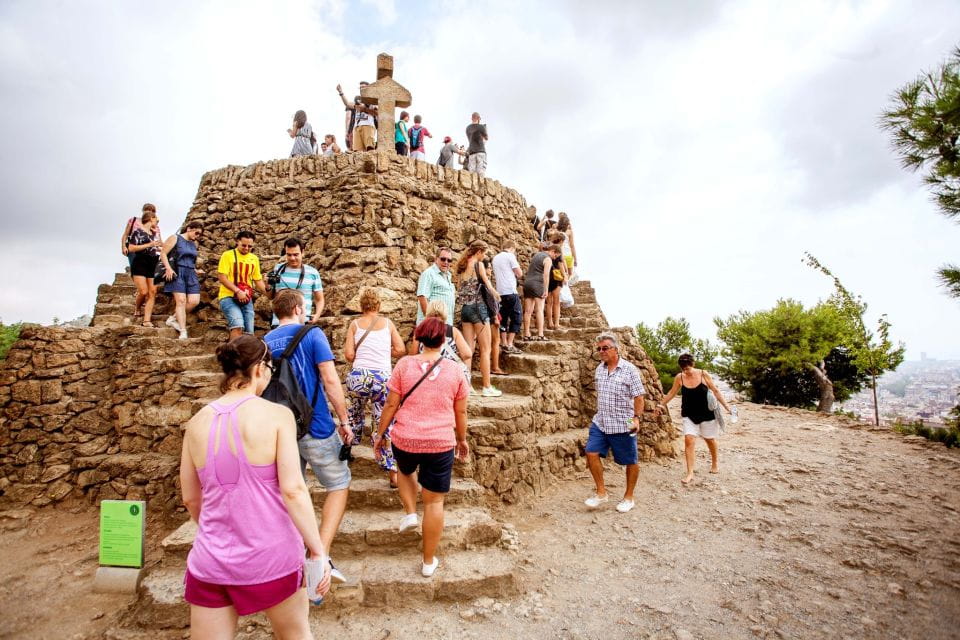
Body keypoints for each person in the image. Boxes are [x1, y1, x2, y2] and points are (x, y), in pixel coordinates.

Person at [179, 335, 330, 637]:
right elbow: (293, 490)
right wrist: (317, 550)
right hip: (272, 557)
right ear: (260, 368)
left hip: (211, 561)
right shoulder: (277, 415)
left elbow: (191, 499)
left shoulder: (196, 423)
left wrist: (217, 533)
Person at [265, 289, 354, 583]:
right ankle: (320, 555)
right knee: (338, 484)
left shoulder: (265, 342)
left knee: (293, 493)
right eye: (304, 306)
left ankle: (297, 557)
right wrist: (344, 420)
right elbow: (330, 379)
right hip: (315, 425)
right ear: (297, 309)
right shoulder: (312, 335)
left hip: (279, 430)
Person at [373, 317, 470, 578]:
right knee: (435, 502)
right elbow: (460, 411)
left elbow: (391, 404)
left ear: (419, 338)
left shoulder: (404, 365)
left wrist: (380, 434)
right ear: (444, 340)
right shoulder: (455, 370)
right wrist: (461, 439)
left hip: (406, 438)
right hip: (440, 441)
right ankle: (428, 562)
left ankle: (410, 513)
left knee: (405, 471)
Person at [343, 288, 407, 488]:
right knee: (384, 422)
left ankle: (346, 452)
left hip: (359, 377)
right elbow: (401, 349)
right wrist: (385, 351)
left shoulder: (354, 325)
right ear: (378, 305)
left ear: (361, 306)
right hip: (382, 379)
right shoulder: (388, 324)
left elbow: (348, 355)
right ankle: (392, 473)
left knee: (353, 415)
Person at [584, 333, 646, 514]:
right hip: (601, 421)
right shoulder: (599, 369)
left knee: (630, 461)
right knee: (591, 452)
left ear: (616, 349)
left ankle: (629, 497)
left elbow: (639, 397)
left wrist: (636, 418)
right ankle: (601, 493)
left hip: (623, 422)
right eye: (599, 349)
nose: (601, 351)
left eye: (605, 348)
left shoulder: (629, 370)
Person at [656, 354, 733, 485]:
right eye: (683, 369)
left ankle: (715, 462)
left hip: (707, 413)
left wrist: (727, 407)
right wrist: (660, 405)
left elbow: (715, 390)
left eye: (688, 368)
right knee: (689, 440)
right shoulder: (679, 377)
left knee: (709, 439)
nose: (686, 371)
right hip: (689, 414)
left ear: (693, 364)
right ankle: (690, 473)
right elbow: (672, 393)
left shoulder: (703, 374)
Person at [454, 240, 502, 397]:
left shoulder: (461, 266)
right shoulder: (478, 264)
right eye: (484, 253)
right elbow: (487, 284)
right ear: (479, 252)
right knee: (485, 349)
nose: (484, 256)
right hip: (478, 309)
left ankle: (467, 386)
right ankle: (487, 387)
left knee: (468, 349)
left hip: (465, 309)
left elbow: (459, 289)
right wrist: (496, 295)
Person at [217, 231, 267, 340]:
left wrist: (269, 294)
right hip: (228, 296)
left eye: (250, 246)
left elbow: (257, 280)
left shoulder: (254, 259)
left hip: (246, 298)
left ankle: (244, 350)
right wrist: (238, 291)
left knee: (249, 331)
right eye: (244, 245)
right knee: (237, 325)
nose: (246, 248)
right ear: (237, 242)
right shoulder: (227, 255)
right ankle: (232, 351)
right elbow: (222, 277)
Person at [410, 300, 473, 384]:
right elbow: (467, 354)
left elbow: (413, 355)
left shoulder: (420, 330)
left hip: (426, 375)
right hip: (449, 376)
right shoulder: (452, 331)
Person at [160, 221, 204, 340]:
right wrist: (168, 268)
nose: (198, 236)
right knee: (181, 301)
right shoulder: (175, 238)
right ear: (189, 228)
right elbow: (163, 254)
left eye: (200, 234)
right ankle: (183, 331)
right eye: (196, 232)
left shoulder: (194, 244)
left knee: (194, 301)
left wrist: (195, 270)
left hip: (190, 274)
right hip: (177, 271)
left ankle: (173, 319)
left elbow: (190, 260)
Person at [266, 238, 324, 327]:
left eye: (296, 254)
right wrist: (267, 285)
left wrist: (317, 315)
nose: (292, 258)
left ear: (302, 252)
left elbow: (319, 299)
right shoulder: (277, 269)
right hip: (279, 323)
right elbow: (270, 296)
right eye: (289, 255)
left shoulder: (313, 272)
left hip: (303, 322)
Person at [126, 208, 163, 327]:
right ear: (151, 219)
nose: (157, 222)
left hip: (153, 261)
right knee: (143, 291)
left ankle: (147, 320)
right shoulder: (138, 232)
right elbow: (131, 248)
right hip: (140, 261)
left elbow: (158, 247)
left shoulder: (155, 234)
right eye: (156, 220)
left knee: (153, 292)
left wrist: (160, 247)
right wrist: (149, 244)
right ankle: (137, 307)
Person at [492, 240, 524, 354]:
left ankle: (504, 343)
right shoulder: (510, 256)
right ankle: (510, 344)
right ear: (512, 248)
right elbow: (519, 273)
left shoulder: (495, 258)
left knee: (503, 318)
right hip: (510, 291)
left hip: (500, 293)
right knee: (517, 317)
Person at [521, 243, 557, 341]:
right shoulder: (548, 259)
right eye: (555, 255)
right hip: (538, 284)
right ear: (552, 251)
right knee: (539, 310)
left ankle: (526, 334)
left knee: (527, 311)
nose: (554, 258)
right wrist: (546, 289)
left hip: (527, 283)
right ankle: (540, 335)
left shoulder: (536, 255)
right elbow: (546, 275)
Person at [416, 247, 457, 326]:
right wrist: (431, 322)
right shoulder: (429, 273)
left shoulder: (448, 276)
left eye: (449, 260)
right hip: (432, 325)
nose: (446, 262)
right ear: (436, 259)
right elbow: (422, 297)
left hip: (445, 324)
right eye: (443, 259)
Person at [336, 82, 377, 152]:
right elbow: (348, 104)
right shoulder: (358, 101)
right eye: (360, 87)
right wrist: (341, 93)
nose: (361, 89)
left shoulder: (373, 100)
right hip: (357, 127)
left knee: (370, 148)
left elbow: (377, 113)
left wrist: (364, 109)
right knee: (357, 151)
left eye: (363, 87)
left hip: (368, 125)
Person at [121, 203, 159, 277]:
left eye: (152, 211)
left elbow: (158, 239)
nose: (150, 212)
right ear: (143, 211)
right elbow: (125, 234)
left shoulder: (155, 225)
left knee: (148, 274)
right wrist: (123, 246)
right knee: (136, 271)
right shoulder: (133, 220)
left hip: (149, 252)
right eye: (147, 210)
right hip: (134, 248)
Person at [545, 232, 569, 331]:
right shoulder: (558, 251)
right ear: (560, 240)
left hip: (547, 276)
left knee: (549, 302)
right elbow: (561, 265)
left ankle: (550, 323)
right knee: (556, 302)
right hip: (556, 277)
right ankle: (556, 324)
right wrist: (565, 276)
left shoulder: (547, 248)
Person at [465, 112, 488, 176]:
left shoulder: (467, 128)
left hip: (471, 152)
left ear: (472, 118)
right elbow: (486, 138)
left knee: (471, 174)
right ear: (478, 118)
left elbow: (471, 138)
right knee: (480, 172)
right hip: (480, 151)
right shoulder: (481, 127)